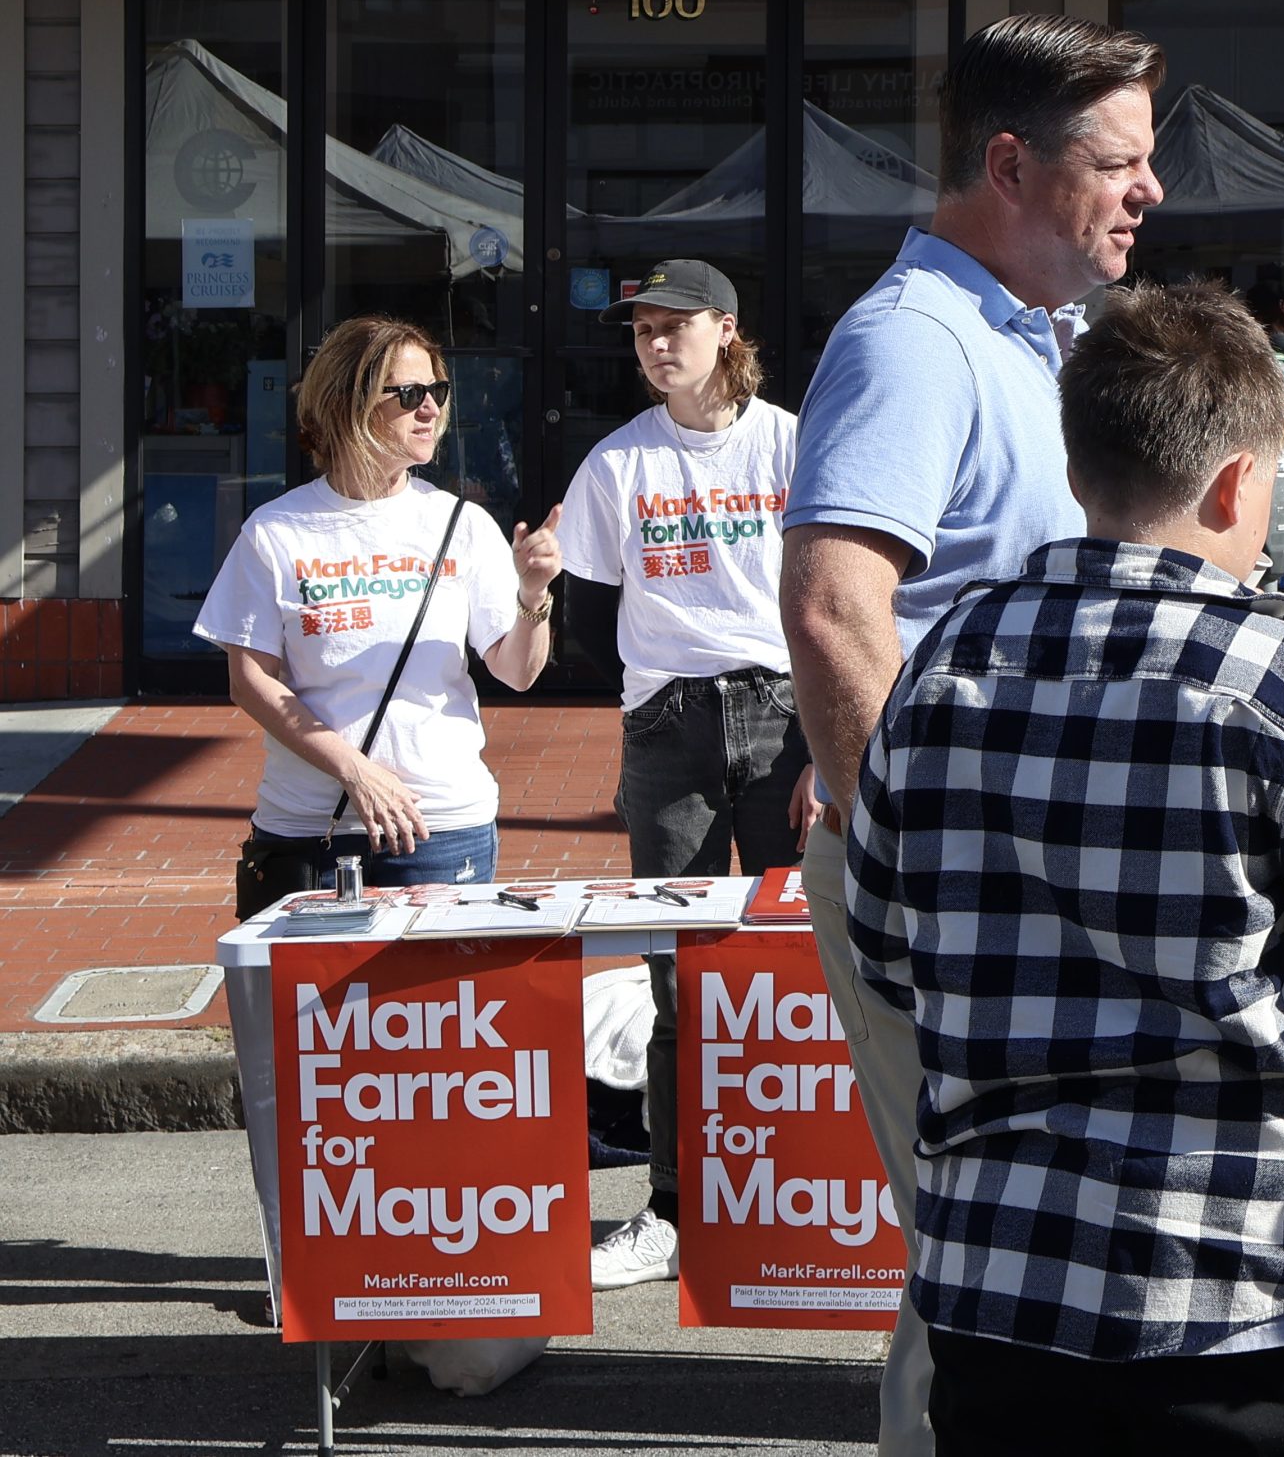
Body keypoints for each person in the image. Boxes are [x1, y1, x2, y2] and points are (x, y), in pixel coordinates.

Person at [846, 281, 1284, 1456]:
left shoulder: (939, 669)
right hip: (1256, 1308)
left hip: (1001, 1301)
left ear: (1079, 467)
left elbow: (886, 951)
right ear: (1242, 482)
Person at [779, 12, 1167, 1457]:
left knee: (1005, 1244)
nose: (1151, 188)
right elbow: (831, 610)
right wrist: (918, 863)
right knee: (981, 1250)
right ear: (1009, 163)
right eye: (1119, 161)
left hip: (1013, 876)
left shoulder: (1031, 332)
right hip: (955, 879)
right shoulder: (915, 339)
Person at [555, 258, 819, 1293]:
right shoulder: (616, 465)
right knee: (680, 979)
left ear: (727, 329)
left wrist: (827, 753)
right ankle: (674, 1205)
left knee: (803, 963)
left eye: (675, 325)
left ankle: (808, 1184)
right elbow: (584, 622)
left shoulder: (794, 441)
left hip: (786, 715)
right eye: (640, 330)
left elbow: (844, 592)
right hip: (669, 729)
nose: (655, 343)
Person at [197, 315, 560, 901]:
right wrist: (357, 772)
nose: (432, 411)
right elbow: (249, 682)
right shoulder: (278, 531)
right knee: (311, 997)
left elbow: (516, 672)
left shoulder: (459, 524)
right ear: (349, 404)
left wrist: (533, 596)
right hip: (312, 825)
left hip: (438, 827)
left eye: (437, 393)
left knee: (440, 995)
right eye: (410, 394)